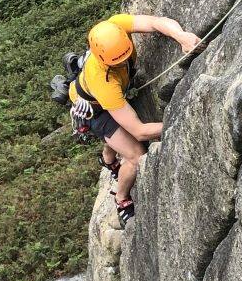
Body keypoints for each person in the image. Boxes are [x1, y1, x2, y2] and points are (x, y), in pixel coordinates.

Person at [68, 12, 200, 227]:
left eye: (123, 58)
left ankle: (108, 159)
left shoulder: (115, 27)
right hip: (97, 111)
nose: (122, 63)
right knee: (136, 156)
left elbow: (156, 23)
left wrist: (181, 36)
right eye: (116, 62)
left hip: (105, 95)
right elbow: (139, 131)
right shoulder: (103, 81)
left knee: (119, 134)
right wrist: (183, 120)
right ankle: (121, 197)